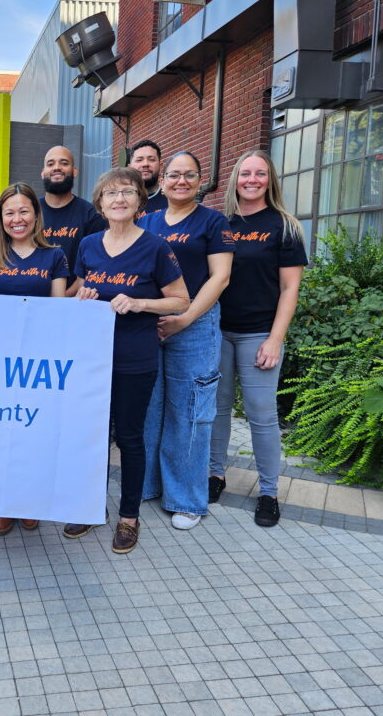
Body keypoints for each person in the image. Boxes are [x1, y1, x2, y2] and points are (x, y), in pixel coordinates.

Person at [64, 167, 189, 554]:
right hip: (92, 359)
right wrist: (80, 300)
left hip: (135, 358)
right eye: (111, 193)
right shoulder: (87, 246)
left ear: (139, 202)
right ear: (100, 202)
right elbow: (77, 294)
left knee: (130, 437)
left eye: (128, 193)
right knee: (94, 437)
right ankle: (89, 508)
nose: (119, 199)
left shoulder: (154, 246)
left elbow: (181, 300)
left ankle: (129, 517)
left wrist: (140, 303)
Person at [210, 151, 307, 527]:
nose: (252, 179)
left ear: (270, 180)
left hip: (258, 334)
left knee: (262, 416)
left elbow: (290, 289)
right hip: (217, 331)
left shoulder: (284, 226)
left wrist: (275, 339)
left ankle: (268, 492)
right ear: (236, 178)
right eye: (246, 172)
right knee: (215, 411)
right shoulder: (221, 223)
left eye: (260, 173)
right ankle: (214, 475)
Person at [140, 151, 235, 531]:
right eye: (174, 175)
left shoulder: (213, 221)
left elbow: (220, 277)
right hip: (150, 323)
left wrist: (185, 318)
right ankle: (147, 486)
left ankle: (186, 499)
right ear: (161, 180)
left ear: (201, 181)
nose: (181, 181)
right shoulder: (146, 221)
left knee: (190, 412)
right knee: (150, 408)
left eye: (189, 175)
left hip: (195, 325)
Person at [0, 182, 70, 536]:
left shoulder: (55, 256)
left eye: (24, 211)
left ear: (36, 215)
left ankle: (28, 500)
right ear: (0, 218)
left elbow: (60, 312)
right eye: (9, 212)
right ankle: (2, 502)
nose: (17, 218)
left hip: (35, 365)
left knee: (32, 434)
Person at [38, 145, 104, 297]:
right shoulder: (30, 211)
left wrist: (63, 298)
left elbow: (93, 266)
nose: (57, 168)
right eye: (50, 164)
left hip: (73, 301)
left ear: (74, 171)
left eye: (64, 163)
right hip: (31, 300)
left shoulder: (91, 215)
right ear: (43, 173)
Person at [129, 140, 167, 214]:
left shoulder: (173, 200)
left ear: (161, 166)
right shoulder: (119, 202)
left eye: (151, 159)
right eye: (139, 160)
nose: (145, 164)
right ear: (130, 168)